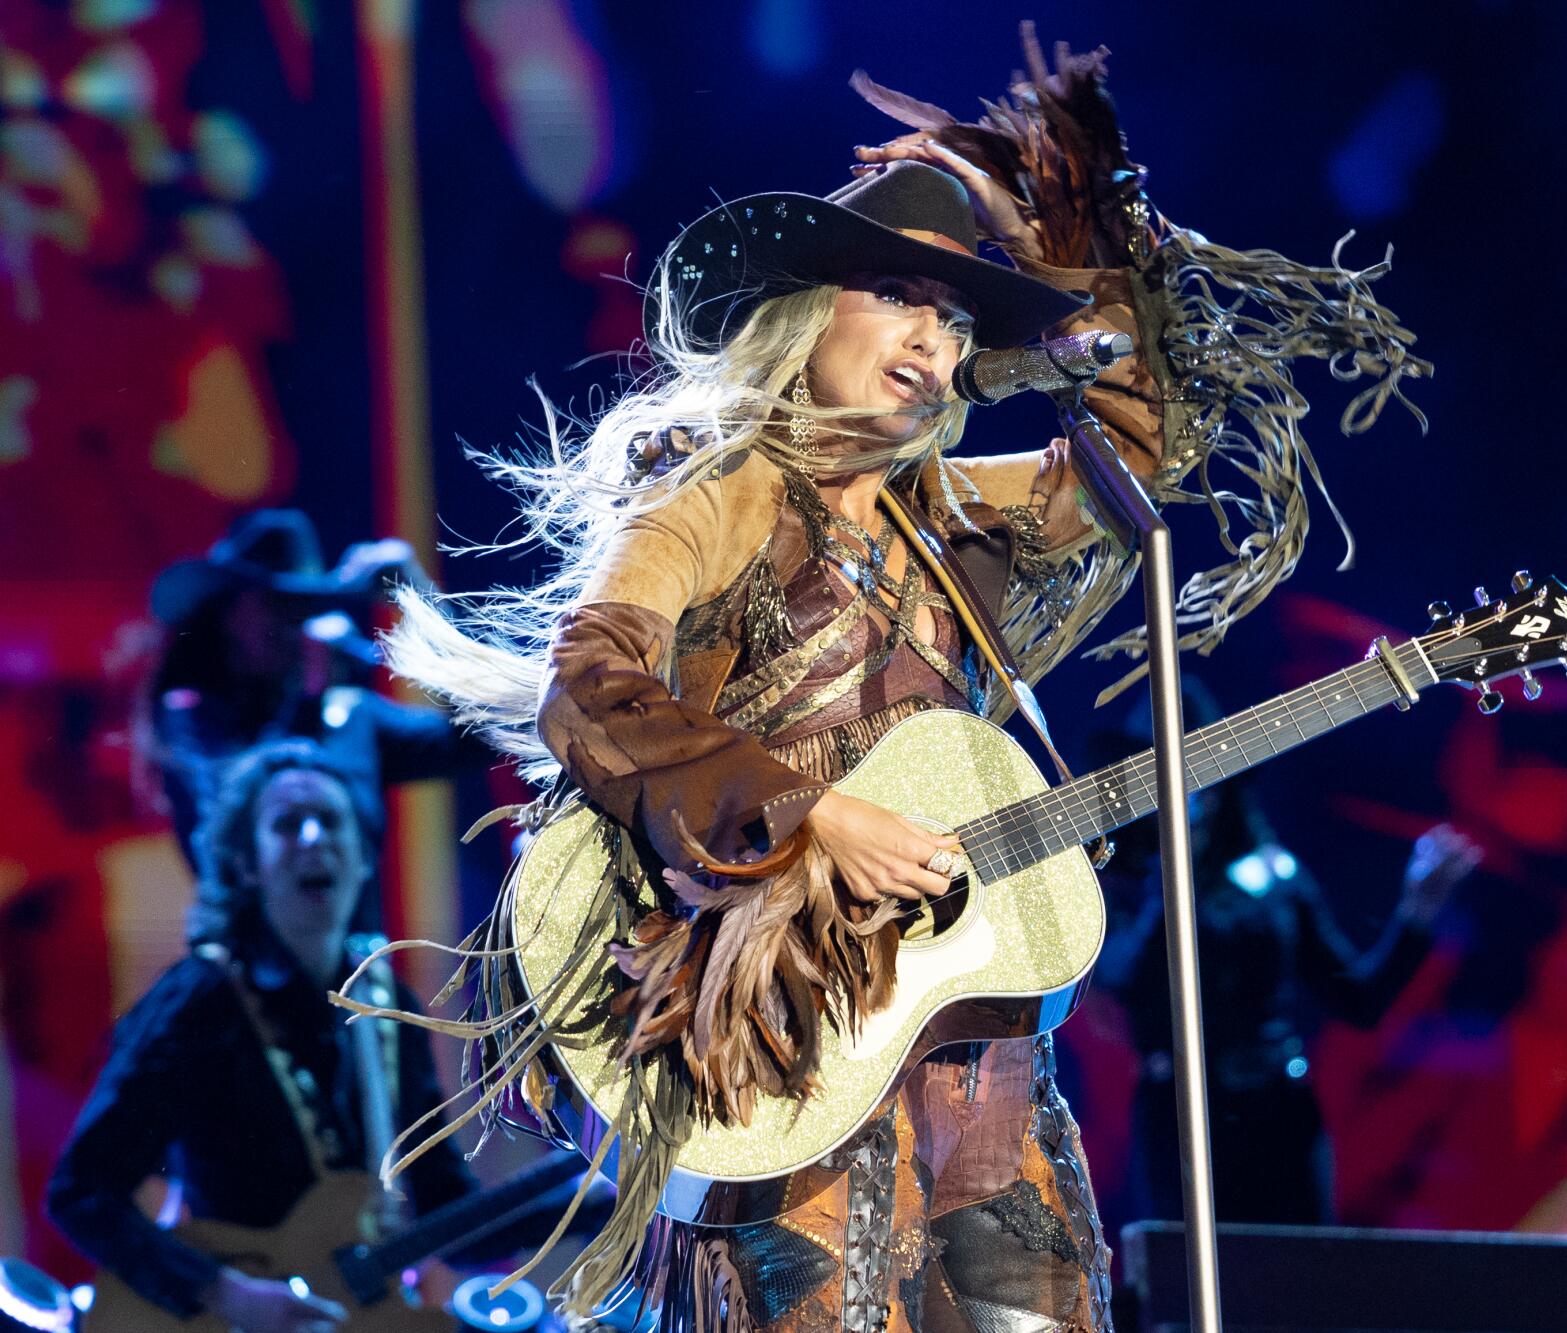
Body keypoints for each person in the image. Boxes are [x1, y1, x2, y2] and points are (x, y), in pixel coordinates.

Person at [375, 38, 1427, 1332]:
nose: (932, 334)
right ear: (807, 314)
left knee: (1032, 1305)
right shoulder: (712, 499)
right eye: (896, 295)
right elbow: (590, 682)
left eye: (953, 317)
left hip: (964, 1040)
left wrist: (1088, 249)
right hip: (774, 1017)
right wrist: (812, 816)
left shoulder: (960, 515)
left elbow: (1136, 456)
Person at [45, 741, 530, 1331]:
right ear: (247, 864)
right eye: (286, 824)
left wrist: (589, 1204)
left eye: (329, 821)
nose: (312, 838)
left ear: (362, 856)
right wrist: (227, 1294)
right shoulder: (202, 1001)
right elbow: (81, 1192)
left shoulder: (386, 1008)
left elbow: (446, 1214)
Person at [1104, 739, 1481, 1226]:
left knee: (1296, 1275)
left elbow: (1358, 1000)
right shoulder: (1125, 886)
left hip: (1277, 1111)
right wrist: (1174, 871)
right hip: (1181, 1117)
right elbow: (1126, 982)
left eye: (1202, 784)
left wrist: (1417, 910)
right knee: (1187, 1274)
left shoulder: (1274, 876)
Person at [141, 508, 487, 861]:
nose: (296, 621)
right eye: (278, 602)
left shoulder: (350, 715)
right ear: (229, 613)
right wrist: (311, 693)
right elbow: (237, 816)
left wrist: (423, 606)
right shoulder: (189, 715)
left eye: (306, 604)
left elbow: (481, 740)